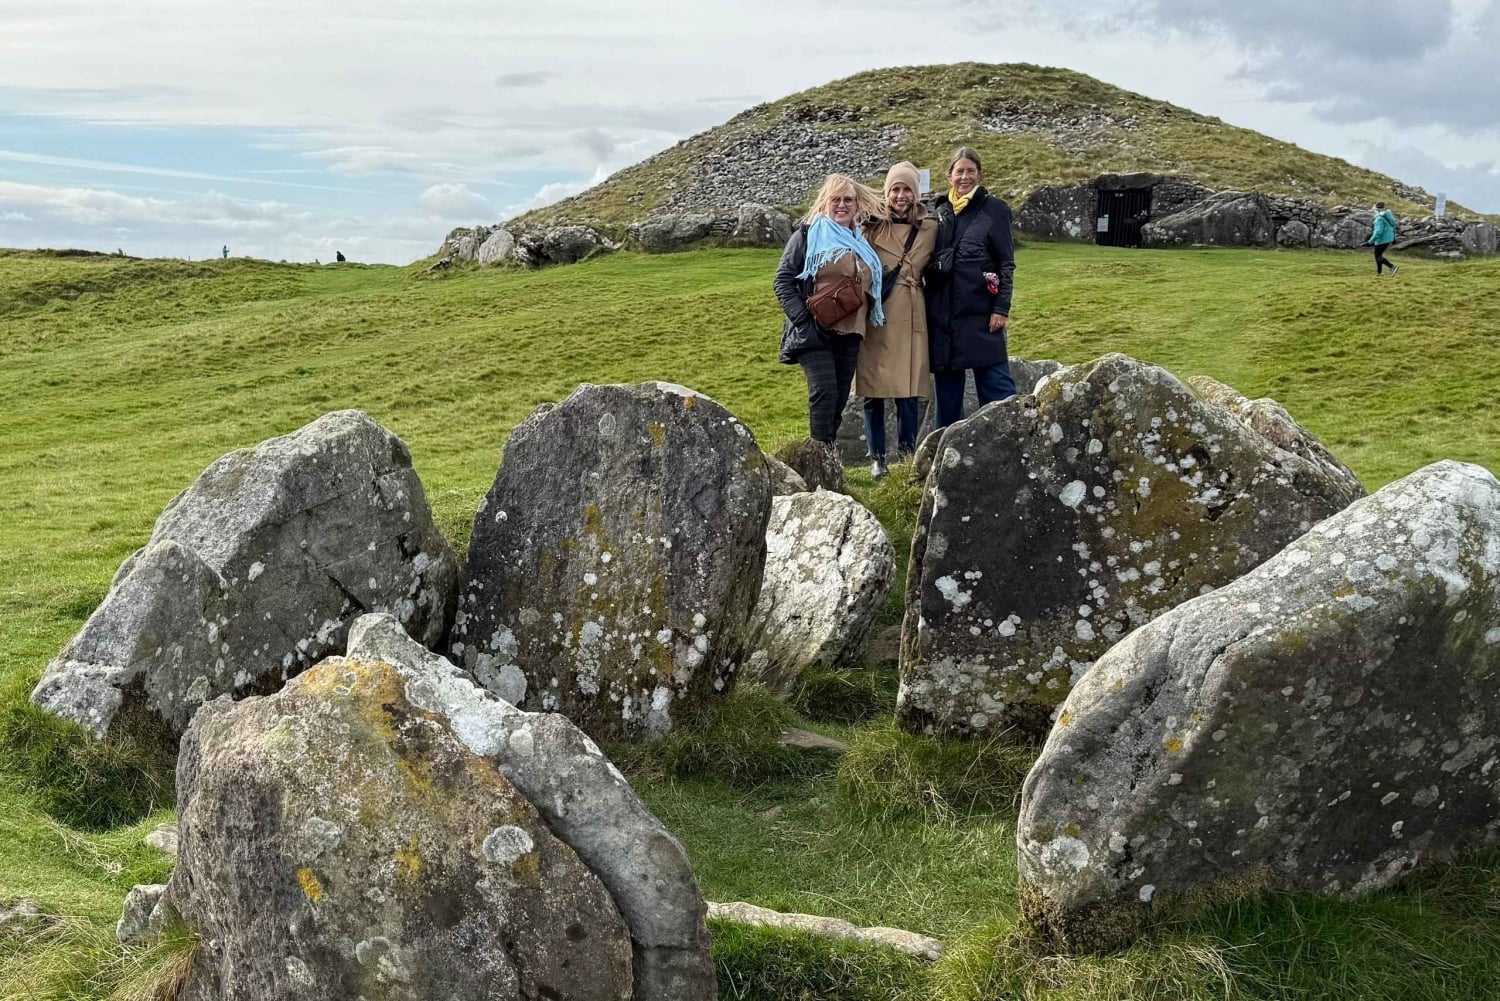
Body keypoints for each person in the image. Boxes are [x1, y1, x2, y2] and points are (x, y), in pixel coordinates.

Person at [774, 173, 886, 450]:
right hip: (814, 330)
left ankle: (828, 457)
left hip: (850, 332)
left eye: (848, 199)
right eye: (835, 199)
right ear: (825, 202)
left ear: (857, 204)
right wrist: (803, 321)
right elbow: (783, 280)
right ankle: (818, 461)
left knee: (837, 400)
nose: (842, 205)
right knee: (823, 393)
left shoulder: (861, 243)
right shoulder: (808, 235)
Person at [925, 147, 1017, 429]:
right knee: (947, 398)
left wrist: (1001, 308)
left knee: (997, 391)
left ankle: (1008, 440)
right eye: (959, 171)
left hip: (981, 312)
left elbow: (1006, 264)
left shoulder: (995, 210)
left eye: (970, 171)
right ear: (949, 176)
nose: (964, 177)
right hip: (943, 314)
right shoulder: (938, 212)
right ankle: (943, 452)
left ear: (979, 174)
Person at [857, 161, 938, 478]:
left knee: (907, 390)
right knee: (872, 389)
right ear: (886, 193)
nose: (901, 196)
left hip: (910, 309)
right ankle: (877, 458)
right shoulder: (871, 225)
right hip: (878, 311)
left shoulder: (931, 226)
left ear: (915, 193)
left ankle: (907, 455)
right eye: (895, 189)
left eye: (907, 189)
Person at [1369, 203, 1399, 276]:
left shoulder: (1379, 218)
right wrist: (1394, 238)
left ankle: (1392, 267)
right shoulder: (1388, 216)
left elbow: (1378, 231)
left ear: (1377, 210)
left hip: (1382, 239)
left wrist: (1370, 241)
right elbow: (1393, 227)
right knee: (1379, 255)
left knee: (1378, 256)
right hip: (1389, 238)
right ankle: (1379, 272)